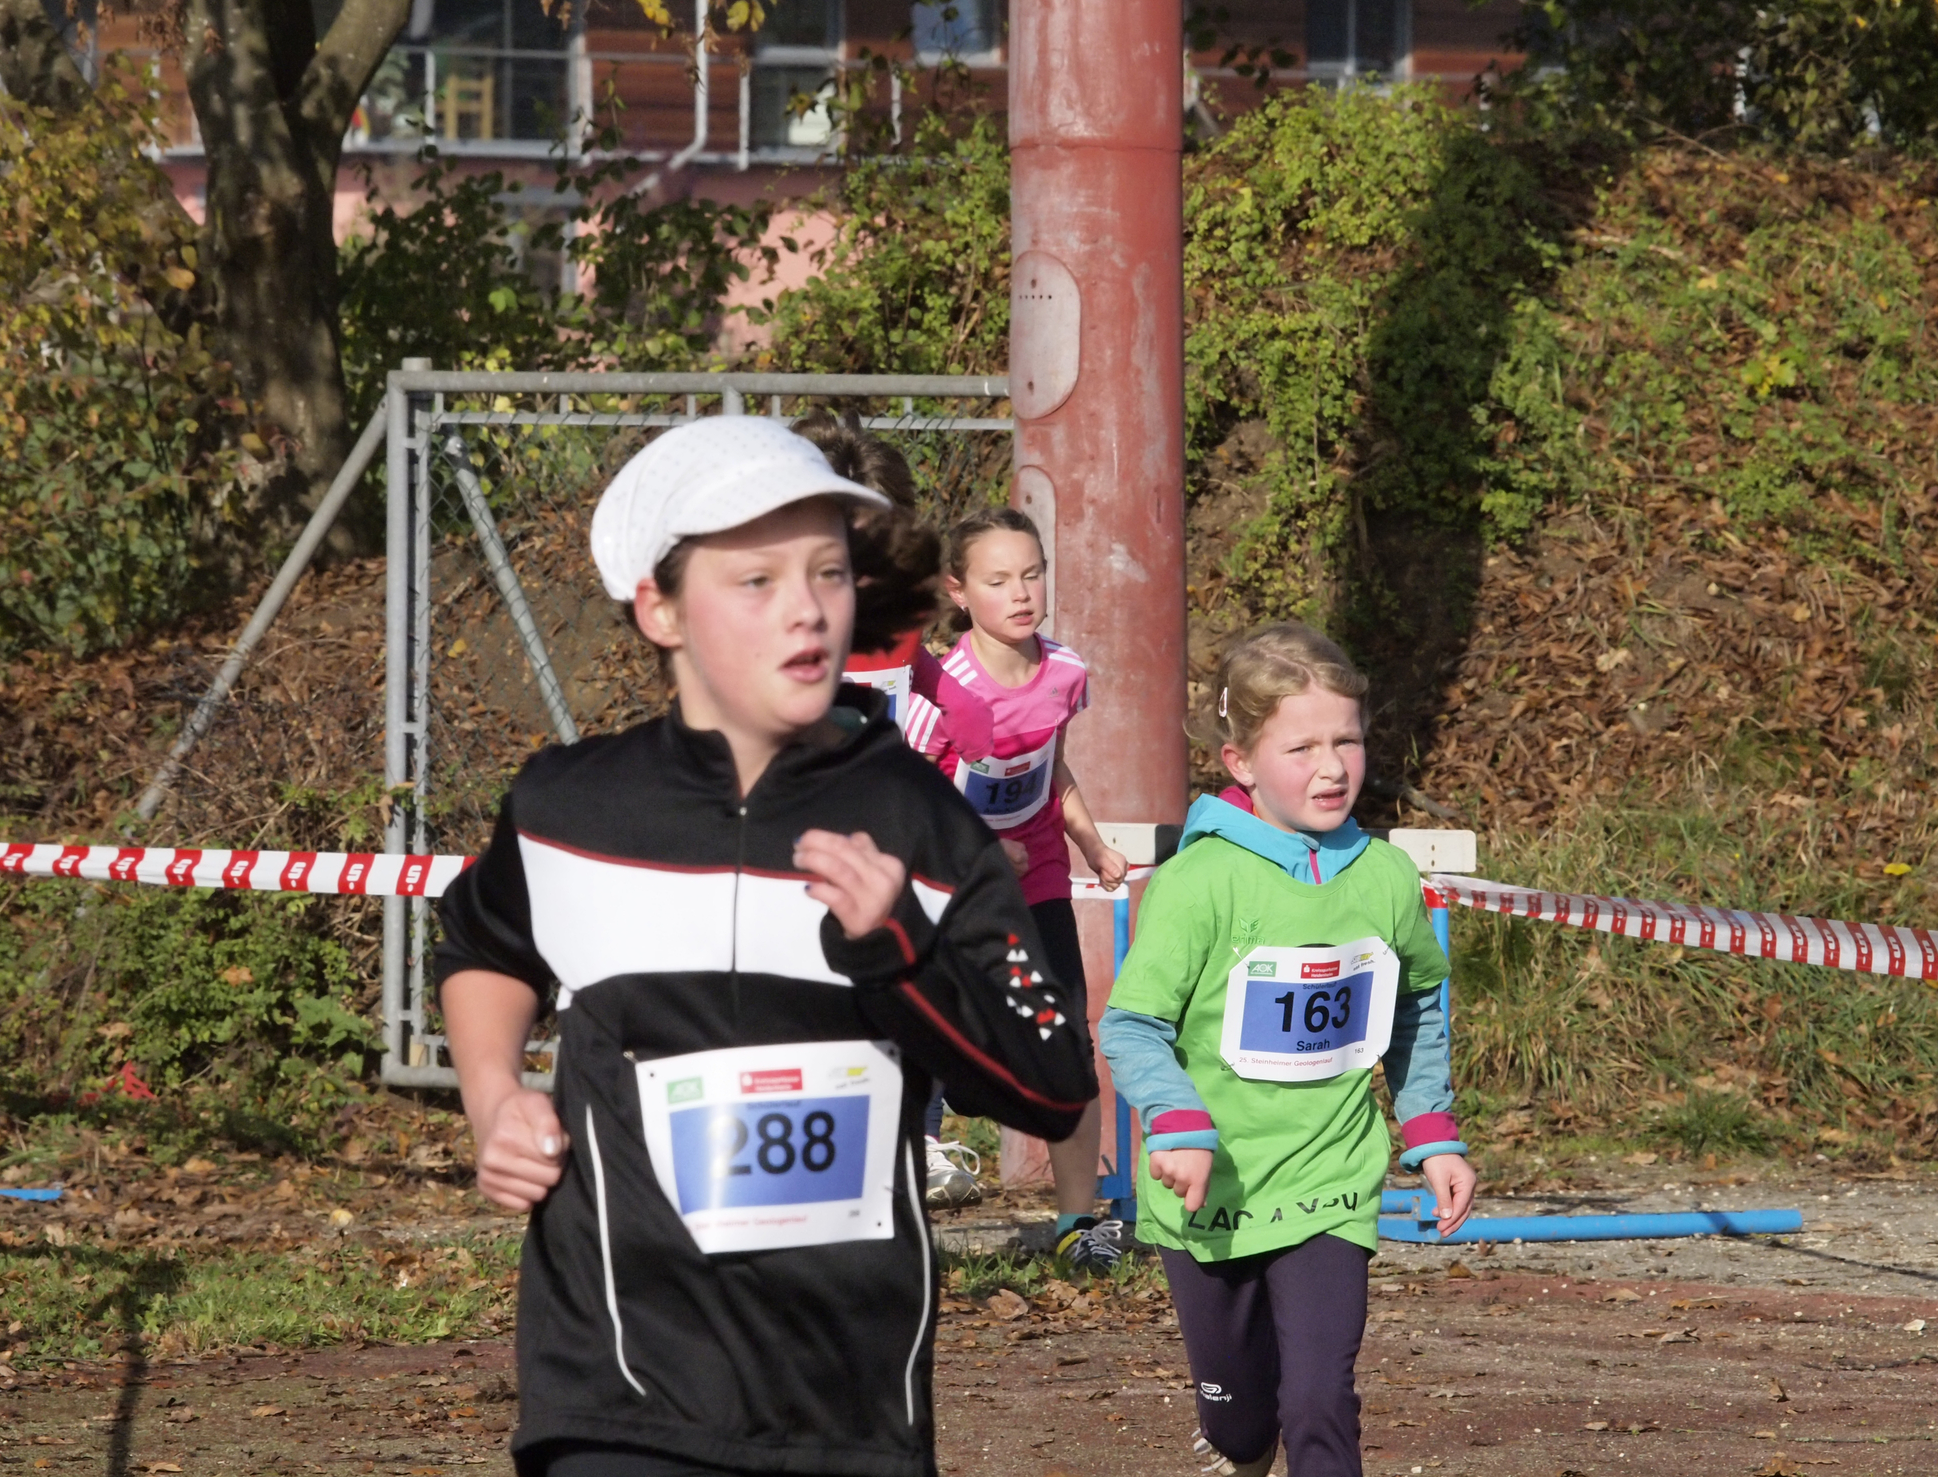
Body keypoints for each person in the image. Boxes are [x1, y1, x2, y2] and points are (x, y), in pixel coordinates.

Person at [434, 414, 1097, 1477]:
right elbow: (485, 945)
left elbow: (1054, 1080)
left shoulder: (921, 821)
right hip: (615, 1397)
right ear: (659, 607)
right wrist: (491, 1096)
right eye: (756, 581)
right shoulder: (567, 806)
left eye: (828, 573)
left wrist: (901, 950)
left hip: (848, 1414)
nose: (806, 610)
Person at [1098, 622, 1475, 1477]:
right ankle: (1240, 1441)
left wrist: (1430, 1130)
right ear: (1240, 762)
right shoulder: (1198, 881)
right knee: (1241, 1426)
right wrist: (1177, 1120)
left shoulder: (1385, 876)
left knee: (1319, 1398)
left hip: (1329, 1178)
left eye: (1347, 741)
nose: (1332, 767)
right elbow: (1132, 1025)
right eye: (1301, 748)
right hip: (1212, 1188)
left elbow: (1415, 1000)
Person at [902, 505, 1130, 1267]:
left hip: (1040, 882)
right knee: (936, 1033)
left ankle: (1076, 1226)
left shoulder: (1065, 672)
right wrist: (980, 852)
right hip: (952, 892)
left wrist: (1090, 842)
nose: (1021, 593)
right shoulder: (943, 687)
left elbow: (1052, 769)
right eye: (998, 580)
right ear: (959, 592)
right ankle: (910, 1197)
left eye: (1032, 574)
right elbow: (908, 796)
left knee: (1069, 1040)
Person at [789, 412, 996, 1208]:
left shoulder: (901, 612)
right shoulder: (778, 617)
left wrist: (962, 709)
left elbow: (918, 667)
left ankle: (920, 1138)